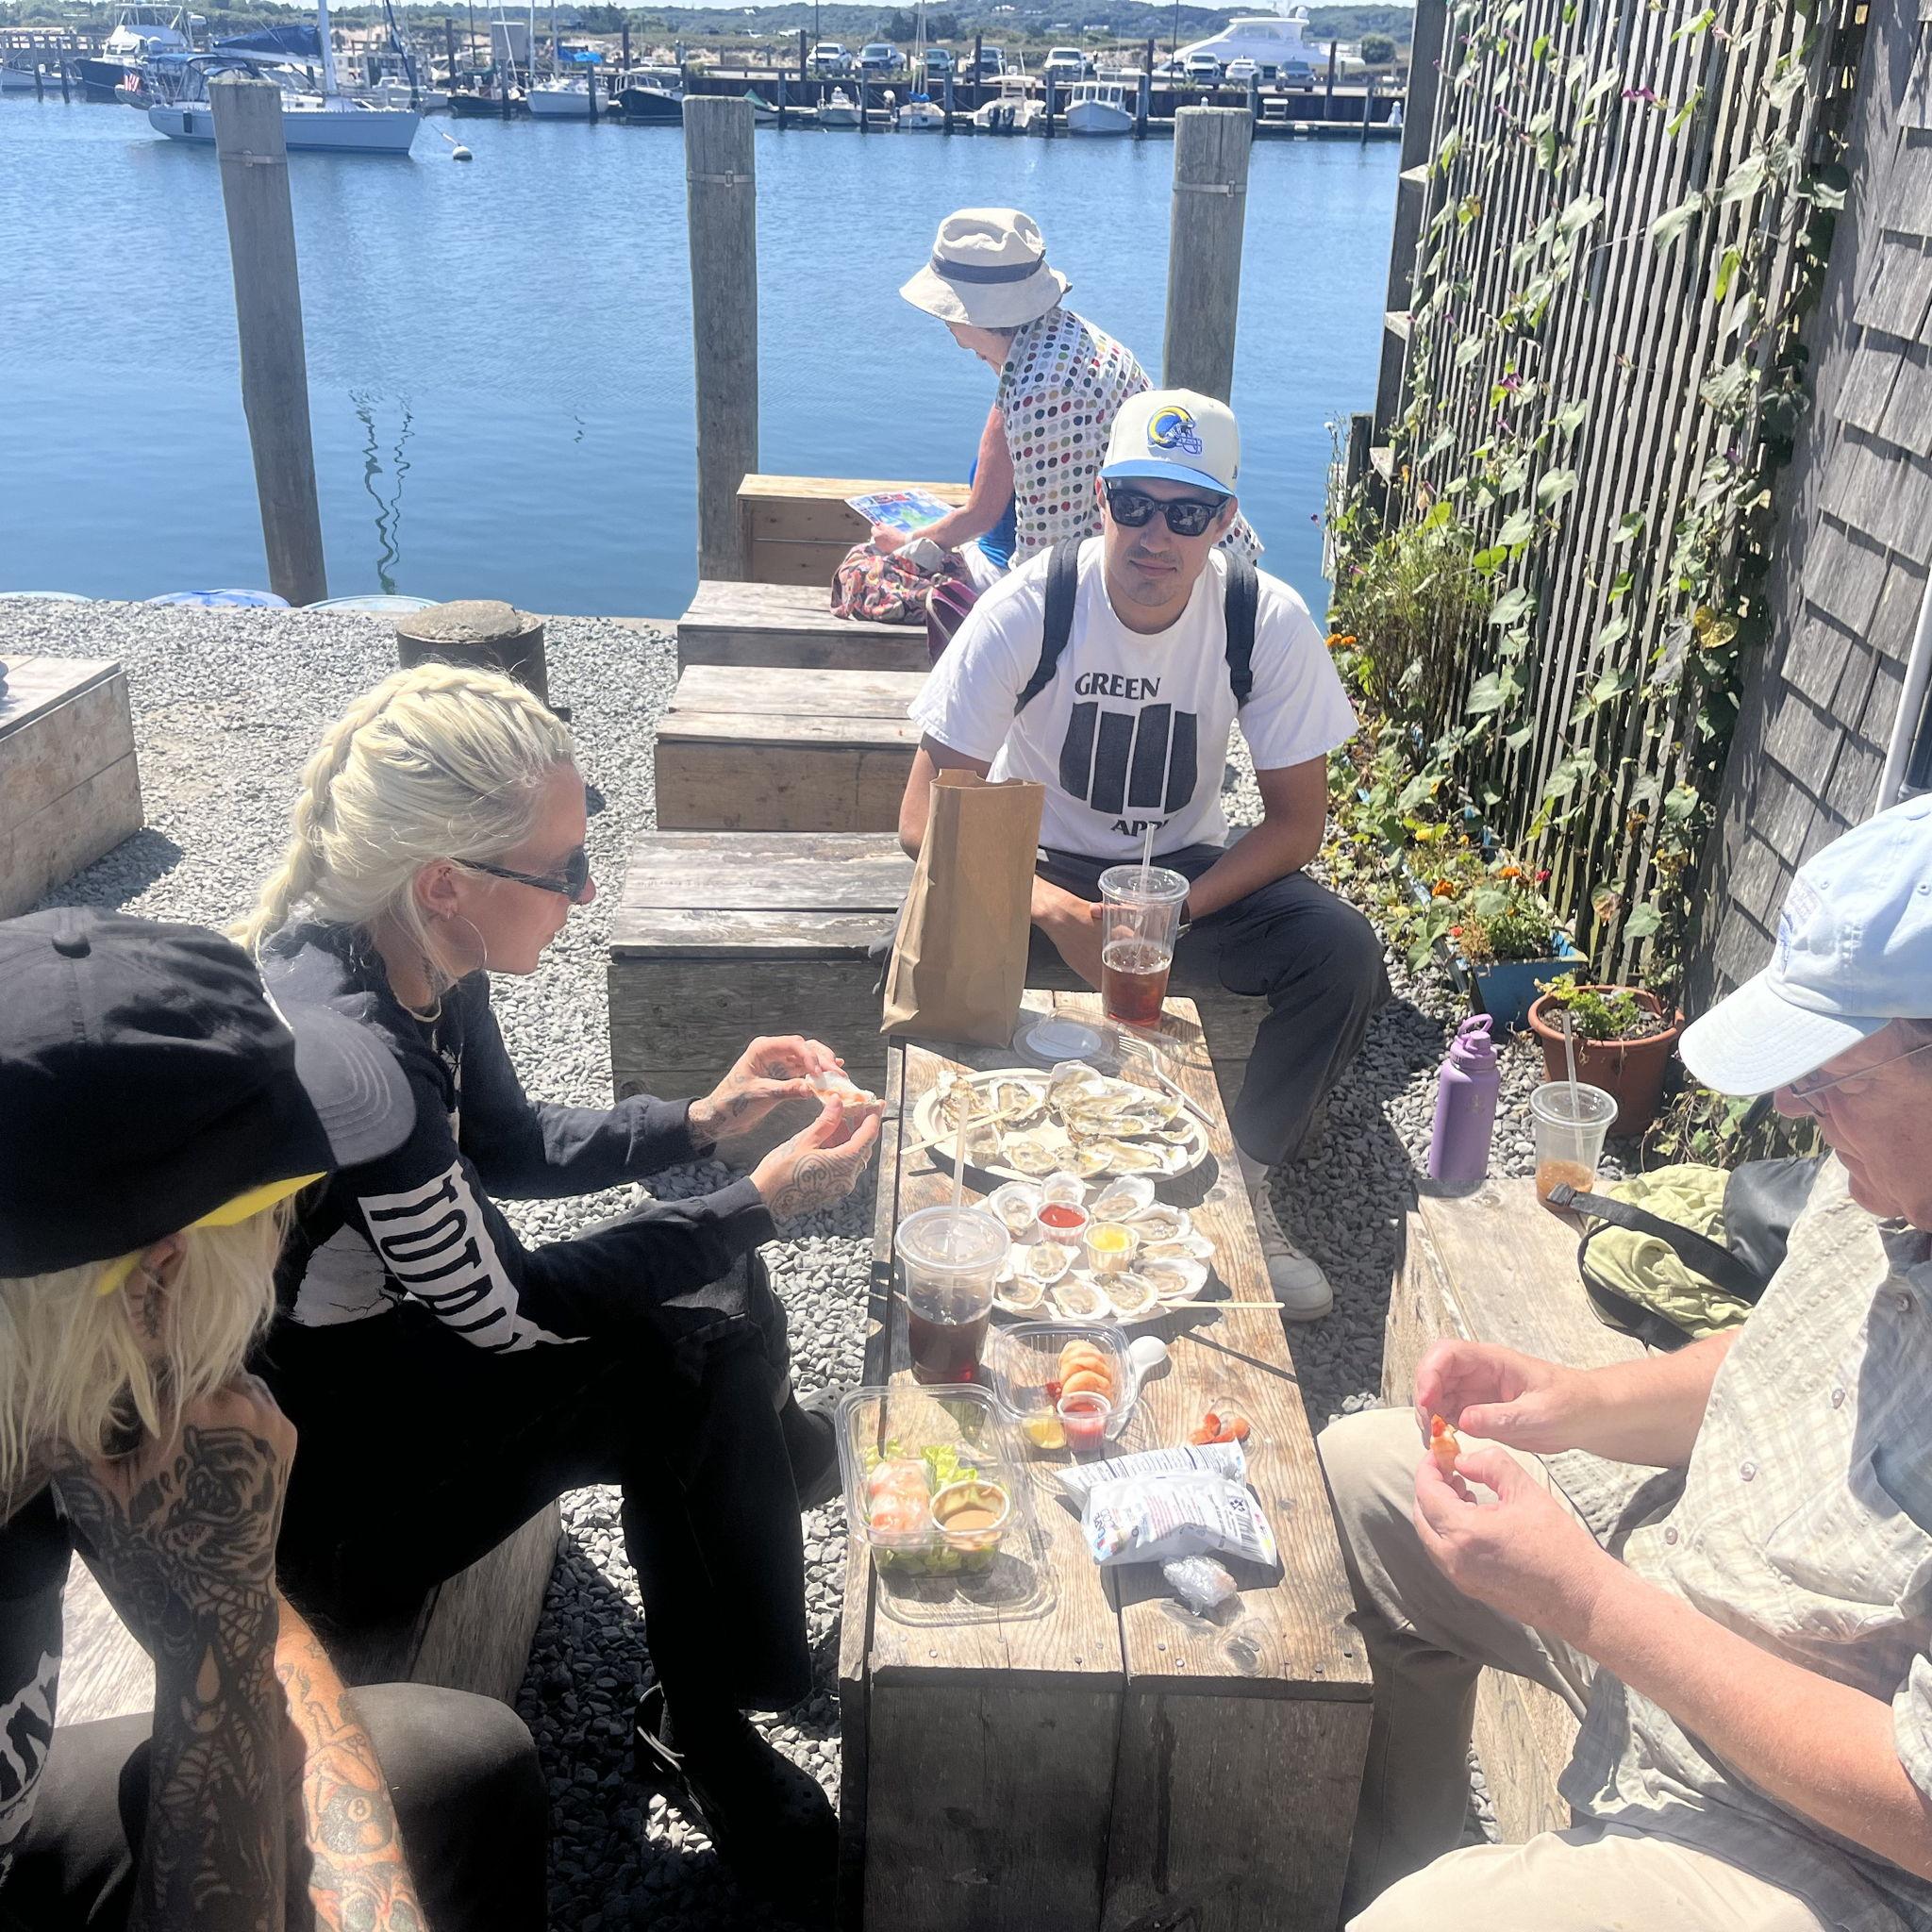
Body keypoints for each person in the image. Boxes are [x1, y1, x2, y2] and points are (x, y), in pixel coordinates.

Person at [232, 661, 878, 1917]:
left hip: (397, 1360)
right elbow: (508, 1311)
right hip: (333, 1493)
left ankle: (766, 1502)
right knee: (680, 1370)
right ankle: (716, 1715)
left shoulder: (409, 948)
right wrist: (765, 1195)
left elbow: (514, 1146)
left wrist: (700, 1122)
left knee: (712, 1271)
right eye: (566, 869)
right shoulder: (353, 1063)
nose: (586, 895)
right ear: (446, 882)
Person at [1318, 794, 1932, 1931]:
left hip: (1825, 1838)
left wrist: (1589, 1599)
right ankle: (1402, 1858)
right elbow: (1789, 1362)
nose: (1791, 1102)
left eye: (1833, 1073)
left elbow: (1917, 1803)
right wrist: (1574, 1400)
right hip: (1681, 1576)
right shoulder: (1889, 1177)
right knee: (1363, 1476)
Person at [0, 907, 547, 1931]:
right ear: (156, 1281)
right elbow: (228, 1629)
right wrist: (220, 1638)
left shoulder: (58, 1371)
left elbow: (242, 1608)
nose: (279, 1254)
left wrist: (374, 1903)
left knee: (459, 1767)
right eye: (276, 1219)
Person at [899, 388, 1382, 1318]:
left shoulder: (1263, 618)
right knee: (922, 943)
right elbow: (923, 816)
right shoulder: (1030, 604)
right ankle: (968, 1189)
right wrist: (1048, 906)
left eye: (1187, 511)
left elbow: (1295, 824)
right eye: (1135, 503)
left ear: (1224, 521)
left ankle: (1245, 1179)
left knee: (1341, 951)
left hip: (1178, 876)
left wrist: (1171, 911)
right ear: (1098, 498)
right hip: (1028, 866)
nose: (1155, 535)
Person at [883, 207, 1259, 587]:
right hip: (1189, 559)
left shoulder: (1046, 392)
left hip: (1178, 583)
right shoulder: (1056, 338)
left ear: (973, 315)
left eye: (947, 315)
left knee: (882, 574)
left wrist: (911, 550)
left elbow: (1042, 568)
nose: (949, 331)